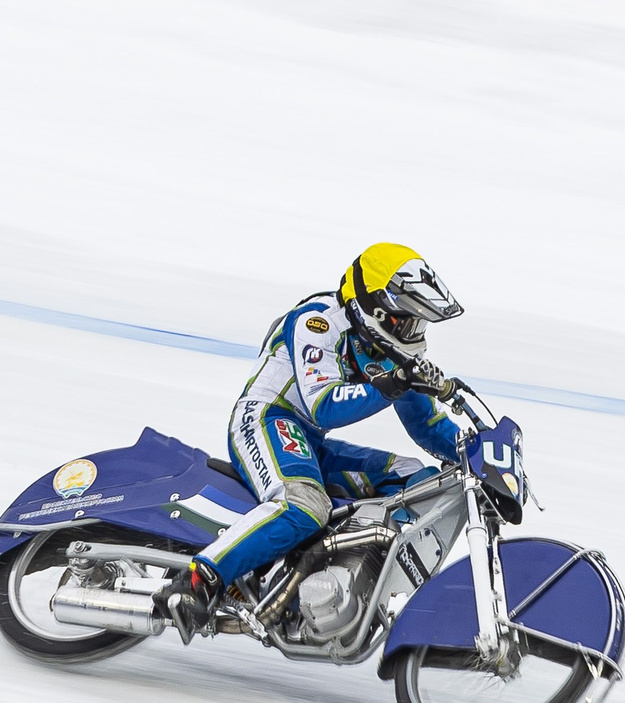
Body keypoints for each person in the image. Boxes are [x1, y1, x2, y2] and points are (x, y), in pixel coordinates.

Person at [163, 243, 479, 639]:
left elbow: (427, 427)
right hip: (266, 419)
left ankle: (356, 571)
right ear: (377, 310)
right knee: (305, 505)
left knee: (415, 476)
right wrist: (393, 385)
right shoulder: (317, 321)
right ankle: (199, 578)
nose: (415, 333)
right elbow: (323, 406)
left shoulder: (390, 352)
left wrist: (479, 451)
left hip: (309, 441)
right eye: (407, 321)